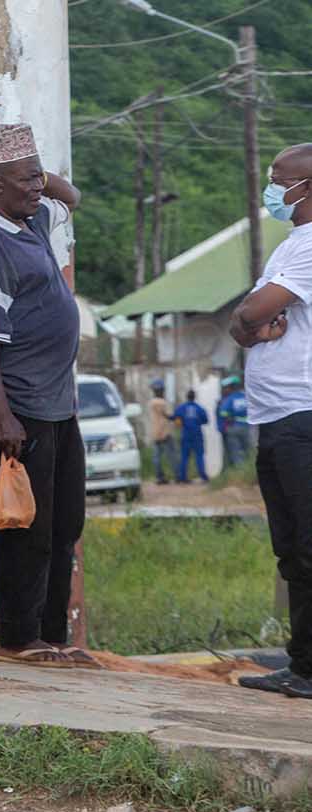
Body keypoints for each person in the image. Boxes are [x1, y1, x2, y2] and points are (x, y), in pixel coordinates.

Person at [0, 123, 92, 669]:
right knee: (27, 525)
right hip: (18, 405)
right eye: (24, 179)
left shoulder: (30, 218)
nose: (39, 186)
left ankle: (52, 635)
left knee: (65, 524)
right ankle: (17, 638)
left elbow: (72, 197)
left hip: (58, 401)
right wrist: (1, 414)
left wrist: (32, 172)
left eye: (38, 175)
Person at [232, 143, 312, 699]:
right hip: (276, 415)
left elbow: (252, 313)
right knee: (291, 550)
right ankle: (302, 665)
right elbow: (241, 324)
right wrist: (248, 323)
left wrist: (250, 321)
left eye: (279, 180)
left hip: (302, 414)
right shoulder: (289, 246)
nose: (273, 188)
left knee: (307, 546)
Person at [172, 390, 209, 483]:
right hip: (197, 434)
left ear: (187, 397)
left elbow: (175, 417)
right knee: (199, 455)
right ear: (194, 397)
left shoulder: (181, 408)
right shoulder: (199, 408)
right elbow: (206, 420)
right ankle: (203, 476)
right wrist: (197, 422)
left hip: (186, 434)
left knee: (184, 456)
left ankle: (183, 477)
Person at [217, 375, 251, 468]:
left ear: (231, 387)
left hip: (234, 427)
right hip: (247, 427)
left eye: (226, 387)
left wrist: (229, 416)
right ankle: (249, 470)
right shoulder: (246, 396)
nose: (225, 390)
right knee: (247, 450)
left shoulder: (230, 398)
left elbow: (223, 413)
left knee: (235, 452)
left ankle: (240, 472)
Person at [147, 379, 175, 485]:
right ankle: (178, 475)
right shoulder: (162, 403)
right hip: (165, 432)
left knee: (157, 456)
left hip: (156, 433)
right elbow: (168, 415)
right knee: (171, 455)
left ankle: (159, 477)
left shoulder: (151, 402)